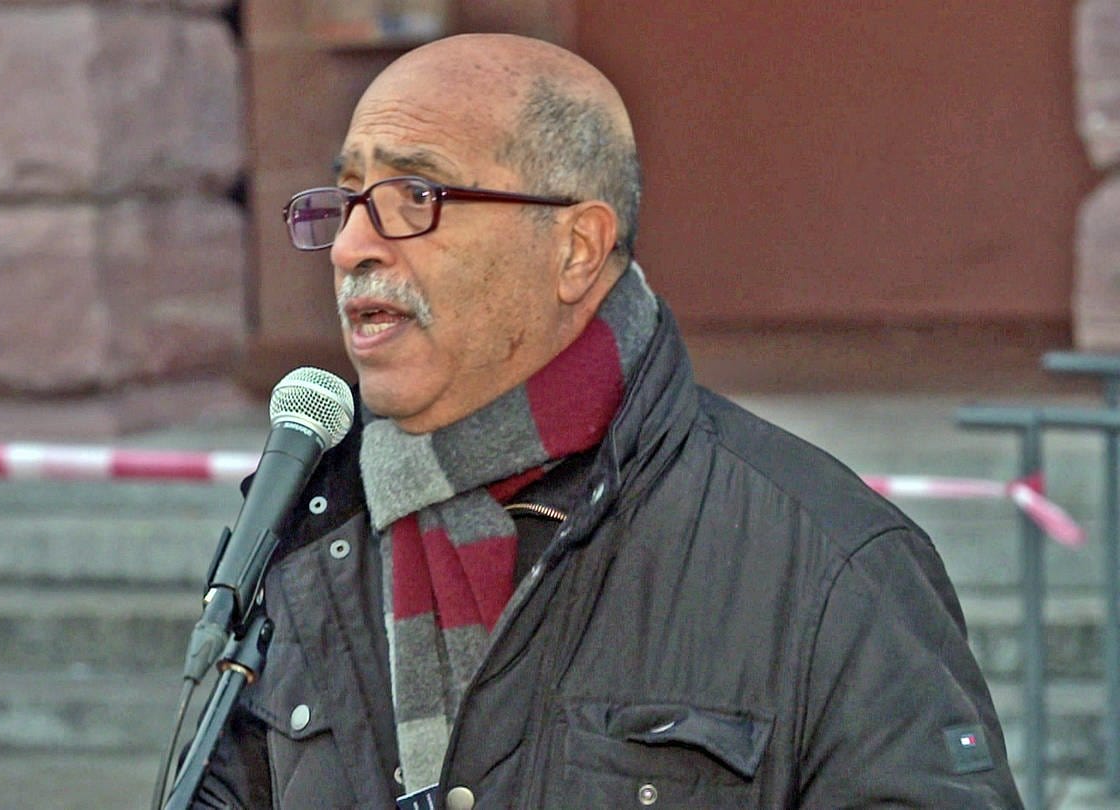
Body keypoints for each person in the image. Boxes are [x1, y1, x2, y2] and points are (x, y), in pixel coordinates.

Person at [194, 33, 1022, 808]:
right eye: (345, 201)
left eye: (415, 195)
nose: (350, 248)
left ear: (576, 249)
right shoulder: (299, 543)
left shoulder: (830, 566)